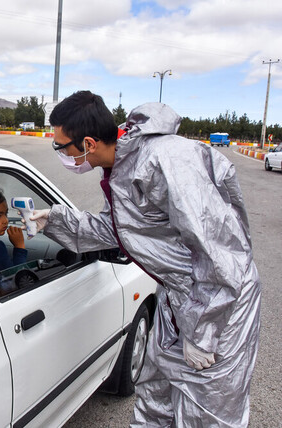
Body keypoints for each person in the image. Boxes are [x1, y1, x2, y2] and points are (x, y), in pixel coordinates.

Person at [28, 91, 260, 427]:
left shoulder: (165, 161)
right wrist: (53, 220)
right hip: (180, 296)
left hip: (222, 303)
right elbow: (118, 229)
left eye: (61, 147)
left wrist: (205, 331)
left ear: (88, 143)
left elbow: (221, 250)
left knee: (207, 412)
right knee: (156, 394)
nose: (61, 154)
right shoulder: (121, 167)